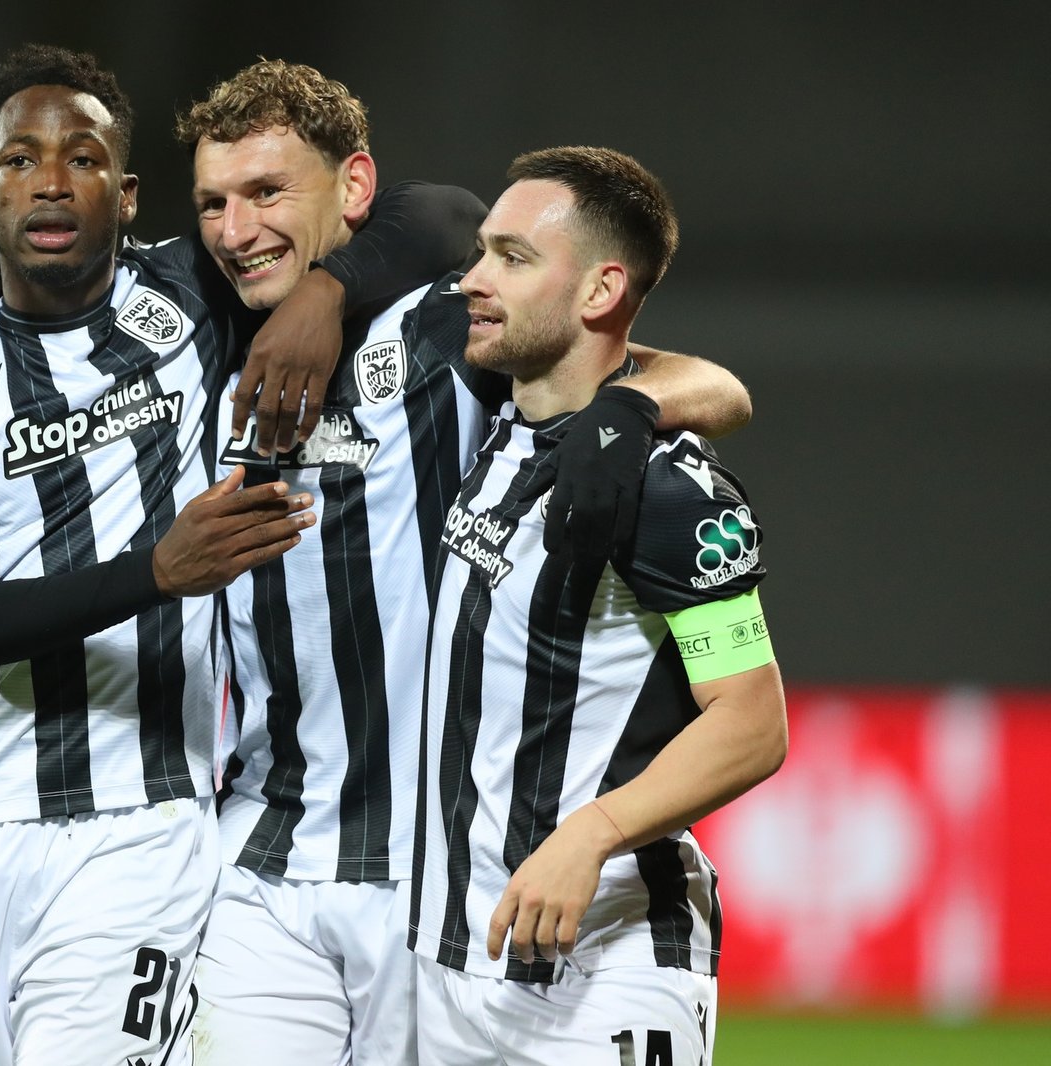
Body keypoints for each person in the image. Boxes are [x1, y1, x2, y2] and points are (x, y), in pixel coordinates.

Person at [0, 45, 479, 1065]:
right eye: (19, 161)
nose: (51, 182)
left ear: (129, 196)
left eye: (83, 158)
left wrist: (324, 292)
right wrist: (157, 571)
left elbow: (445, 214)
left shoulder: (193, 299)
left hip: (143, 831)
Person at [172, 64, 753, 1065]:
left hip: (437, 883)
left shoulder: (452, 332)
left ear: (354, 189)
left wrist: (628, 409)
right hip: (264, 859)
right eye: (213, 204)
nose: (235, 229)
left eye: (267, 193)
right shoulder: (189, 336)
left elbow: (705, 381)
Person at [408, 146, 789, 1066]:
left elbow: (752, 722)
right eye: (481, 251)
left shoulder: (669, 485)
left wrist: (594, 833)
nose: (473, 279)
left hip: (609, 962)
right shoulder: (493, 418)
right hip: (455, 959)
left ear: (600, 290)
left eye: (512, 257)